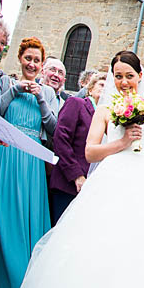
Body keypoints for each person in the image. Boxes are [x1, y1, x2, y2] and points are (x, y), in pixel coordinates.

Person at [21, 50, 144, 288]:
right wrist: (121, 143)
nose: (124, 82)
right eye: (118, 76)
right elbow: (90, 151)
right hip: (112, 180)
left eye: (129, 75)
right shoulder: (104, 110)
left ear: (140, 75)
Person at [0, 37, 58, 288]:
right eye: (28, 58)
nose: (32, 64)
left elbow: (53, 129)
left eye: (37, 60)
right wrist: (15, 90)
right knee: (4, 213)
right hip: (6, 155)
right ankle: (4, 275)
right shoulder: (6, 83)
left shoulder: (47, 92)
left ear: (42, 65)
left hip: (33, 162)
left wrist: (41, 99)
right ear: (20, 58)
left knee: (30, 213)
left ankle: (28, 278)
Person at [48, 72, 106, 224]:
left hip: (92, 186)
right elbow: (61, 139)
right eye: (101, 84)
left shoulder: (109, 119)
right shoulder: (77, 104)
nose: (105, 89)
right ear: (90, 88)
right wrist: (76, 175)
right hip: (68, 183)